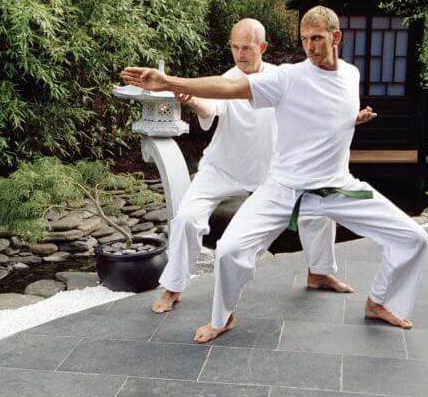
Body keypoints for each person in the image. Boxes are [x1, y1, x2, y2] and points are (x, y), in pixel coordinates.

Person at [122, 6, 428, 343]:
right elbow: (227, 89)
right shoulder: (288, 78)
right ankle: (222, 317)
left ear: (336, 37)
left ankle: (378, 301)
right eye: (304, 39)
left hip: (338, 188)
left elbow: (327, 115)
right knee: (228, 250)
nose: (310, 46)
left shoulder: (351, 75)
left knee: (414, 238)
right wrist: (168, 81)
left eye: (317, 38)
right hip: (285, 189)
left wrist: (352, 121)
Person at [153, 18, 370, 314]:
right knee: (188, 217)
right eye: (235, 47)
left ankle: (319, 272)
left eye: (247, 47)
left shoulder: (283, 78)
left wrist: (350, 118)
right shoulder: (228, 81)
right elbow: (209, 109)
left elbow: (318, 108)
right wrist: (192, 100)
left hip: (271, 173)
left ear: (263, 47)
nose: (240, 54)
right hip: (222, 169)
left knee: (319, 207)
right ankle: (174, 287)